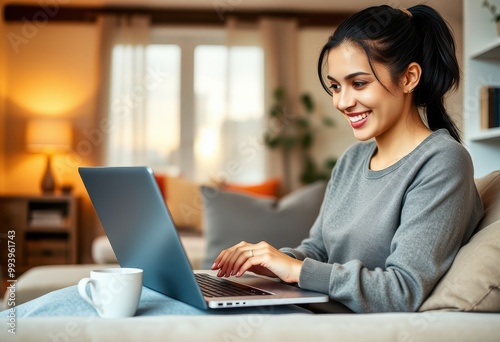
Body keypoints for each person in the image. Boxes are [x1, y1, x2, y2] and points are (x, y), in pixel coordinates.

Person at [211, 4, 484, 313]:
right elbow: (318, 249)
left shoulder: (442, 162)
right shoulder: (352, 159)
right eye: (335, 86)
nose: (342, 102)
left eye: (358, 83)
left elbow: (403, 290)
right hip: (317, 309)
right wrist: (268, 261)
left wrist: (297, 271)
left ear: (408, 78)